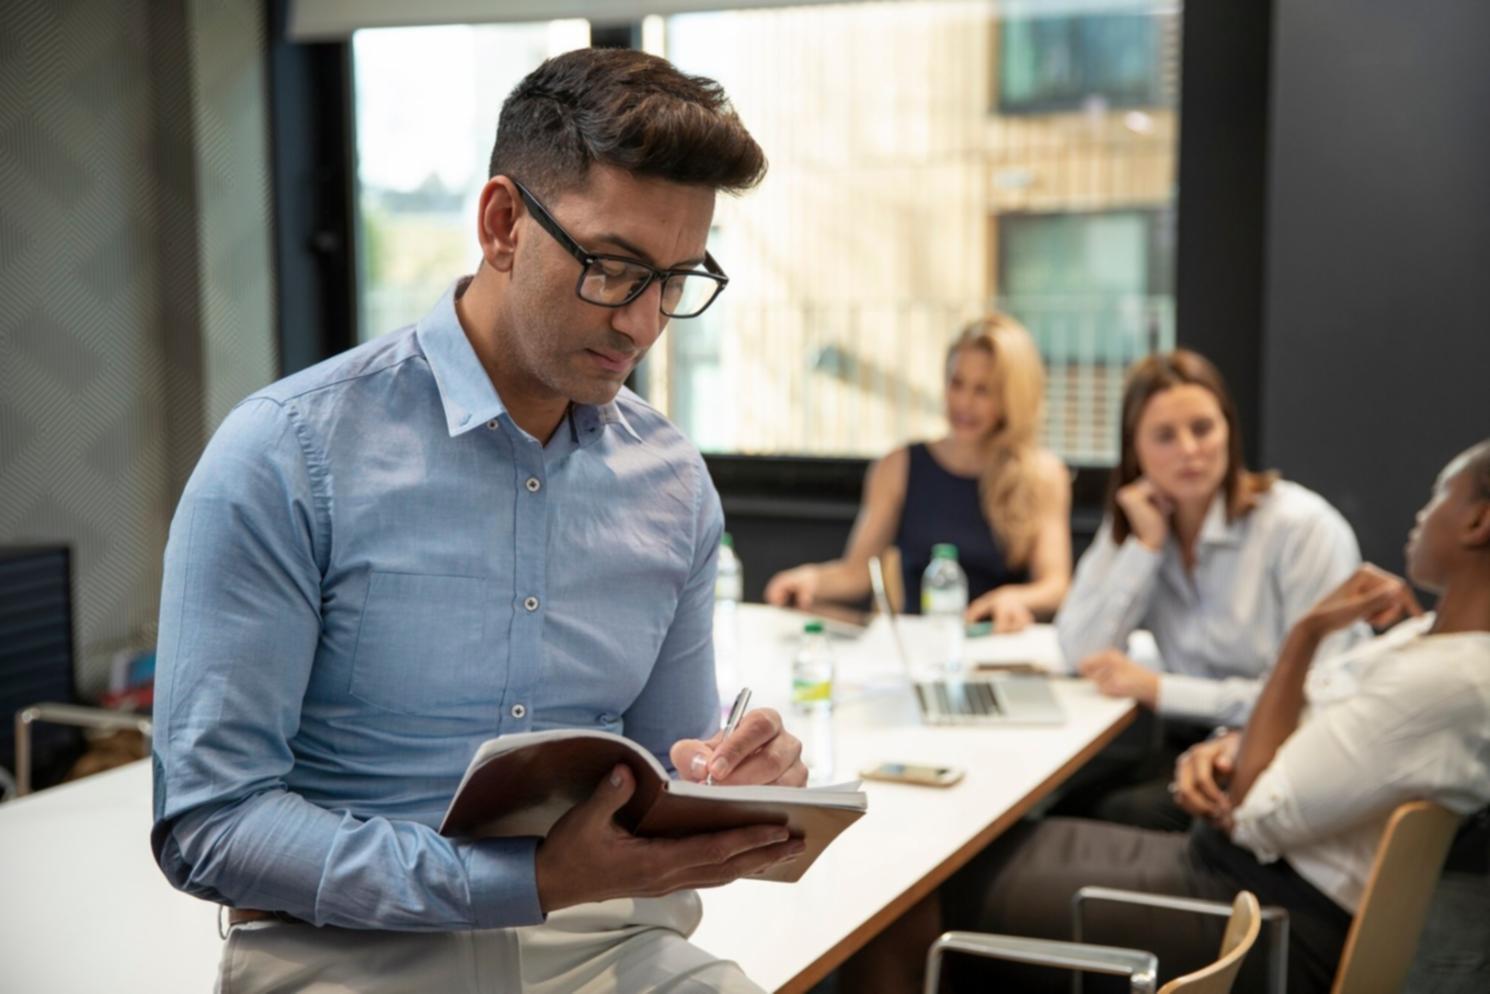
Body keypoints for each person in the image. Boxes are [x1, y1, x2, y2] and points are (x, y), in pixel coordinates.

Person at [150, 49, 808, 994]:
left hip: (609, 947)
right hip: (344, 958)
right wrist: (521, 882)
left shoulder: (670, 483)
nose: (642, 324)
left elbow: (670, 772)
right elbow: (210, 823)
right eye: (615, 268)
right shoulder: (286, 454)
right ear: (504, 224)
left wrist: (731, 780)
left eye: (676, 278)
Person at [850, 439, 1490, 994]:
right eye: (1164, 436)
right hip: (1240, 865)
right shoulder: (1426, 639)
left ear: (1477, 522)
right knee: (964, 851)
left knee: (896, 894)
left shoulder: (1443, 678)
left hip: (1259, 906)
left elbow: (1254, 811)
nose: (1420, 513)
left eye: (1439, 496)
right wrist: (1234, 744)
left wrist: (1301, 637)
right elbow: (1311, 729)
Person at [1052, 349, 1363, 828]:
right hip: (1188, 746)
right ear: (1135, 450)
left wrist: (1161, 689)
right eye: (1164, 436)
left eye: (1202, 428)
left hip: (1282, 755)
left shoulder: (1300, 528)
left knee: (1093, 820)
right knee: (1055, 810)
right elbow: (1081, 652)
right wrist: (1146, 549)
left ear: (1228, 431)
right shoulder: (1141, 525)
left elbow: (1322, 691)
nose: (1189, 450)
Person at [763, 316, 1071, 632]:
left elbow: (1055, 584)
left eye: (983, 391)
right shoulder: (898, 466)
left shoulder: (1043, 475)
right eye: (957, 383)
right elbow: (856, 572)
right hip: (918, 648)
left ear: (1011, 398)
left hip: (1000, 646)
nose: (964, 402)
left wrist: (1015, 598)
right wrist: (809, 581)